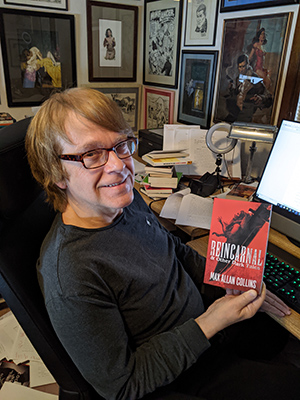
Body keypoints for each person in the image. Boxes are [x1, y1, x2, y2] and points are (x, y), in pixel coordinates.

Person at [25, 87, 300, 400]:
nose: (119, 166)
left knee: (280, 331)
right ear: (56, 172)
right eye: (92, 154)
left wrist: (228, 279)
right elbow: (121, 384)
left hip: (206, 327)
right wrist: (211, 322)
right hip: (177, 375)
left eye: (120, 145)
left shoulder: (125, 201)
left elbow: (173, 249)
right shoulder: (71, 274)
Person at [226, 53, 273, 123]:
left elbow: (268, 96)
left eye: (243, 66)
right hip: (236, 111)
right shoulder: (238, 78)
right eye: (239, 67)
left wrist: (260, 98)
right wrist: (232, 89)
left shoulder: (254, 78)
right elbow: (236, 94)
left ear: (248, 65)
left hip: (247, 113)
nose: (241, 69)